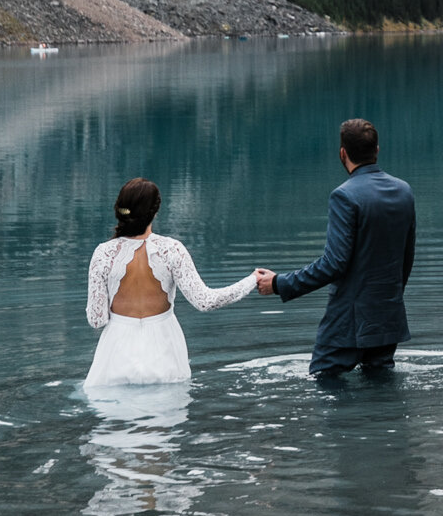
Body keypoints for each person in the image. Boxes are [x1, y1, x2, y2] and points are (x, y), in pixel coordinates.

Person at [256, 119, 416, 379]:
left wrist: (278, 283)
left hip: (348, 322)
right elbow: (406, 258)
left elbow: (334, 263)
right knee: (380, 389)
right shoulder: (404, 191)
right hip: (388, 317)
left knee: (323, 380)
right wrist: (390, 299)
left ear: (343, 153)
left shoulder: (345, 196)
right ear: (377, 150)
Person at [84, 176, 256, 390]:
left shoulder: (103, 253)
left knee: (115, 419)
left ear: (120, 209)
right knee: (162, 418)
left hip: (115, 356)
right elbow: (205, 301)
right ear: (155, 212)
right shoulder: (171, 249)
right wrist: (252, 280)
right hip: (163, 353)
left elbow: (96, 319)